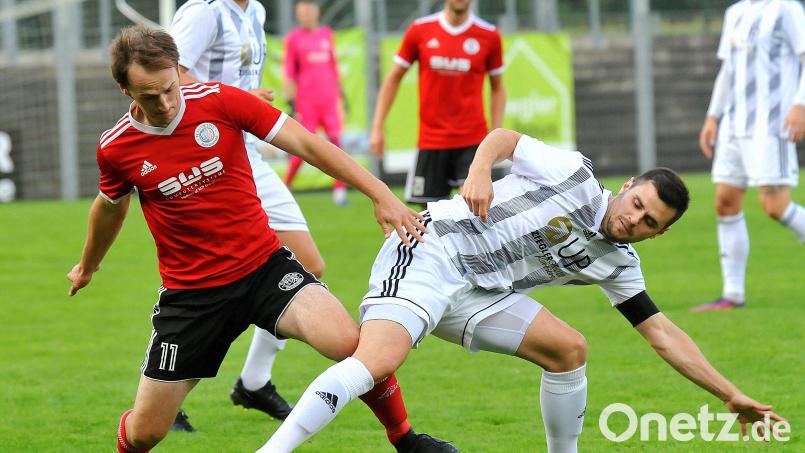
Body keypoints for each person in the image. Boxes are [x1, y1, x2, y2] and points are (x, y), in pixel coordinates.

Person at [258, 128, 785, 453]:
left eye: (650, 222)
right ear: (627, 188)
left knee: (569, 350)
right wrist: (480, 170)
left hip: (481, 292)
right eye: (637, 204)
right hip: (432, 251)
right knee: (376, 361)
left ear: (659, 234)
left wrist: (730, 395)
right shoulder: (575, 175)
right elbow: (505, 137)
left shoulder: (618, 263)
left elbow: (664, 334)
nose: (634, 219)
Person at [66, 25, 456, 453]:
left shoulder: (220, 101)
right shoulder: (116, 147)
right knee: (146, 433)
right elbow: (110, 207)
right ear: (125, 90)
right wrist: (88, 266)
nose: (164, 104)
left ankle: (406, 439)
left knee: (348, 343)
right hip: (192, 297)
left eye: (169, 89)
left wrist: (380, 193)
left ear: (179, 70)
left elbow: (307, 144)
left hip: (263, 269)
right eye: (149, 97)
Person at [169, 0, 316, 429]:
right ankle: (167, 392)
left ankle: (253, 382)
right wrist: (235, 99)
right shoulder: (205, 12)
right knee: (215, 280)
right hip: (212, 154)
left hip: (247, 150)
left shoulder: (256, 12)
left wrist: (247, 102)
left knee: (307, 263)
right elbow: (168, 75)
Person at [692, 0, 805, 311]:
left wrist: (800, 105)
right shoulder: (736, 12)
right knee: (725, 202)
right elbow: (727, 71)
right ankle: (732, 295)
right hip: (733, 125)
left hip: (771, 125)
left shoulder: (786, 9)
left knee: (775, 206)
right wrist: (712, 116)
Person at [369, 0, 506, 208]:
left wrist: (494, 136)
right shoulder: (420, 30)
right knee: (428, 218)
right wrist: (377, 127)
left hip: (471, 142)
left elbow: (497, 88)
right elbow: (394, 77)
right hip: (431, 142)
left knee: (475, 212)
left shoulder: (489, 35)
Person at [283, 0, 349, 206]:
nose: (305, 16)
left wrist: (341, 100)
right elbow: (289, 74)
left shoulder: (327, 34)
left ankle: (340, 191)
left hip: (328, 101)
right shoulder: (293, 39)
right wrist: (292, 104)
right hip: (307, 103)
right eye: (301, 13)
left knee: (337, 144)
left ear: (316, 12)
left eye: (308, 12)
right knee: (302, 147)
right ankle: (285, 188)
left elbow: (333, 68)